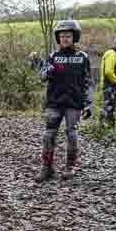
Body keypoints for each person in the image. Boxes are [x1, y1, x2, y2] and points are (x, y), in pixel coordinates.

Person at [36, 19, 93, 183]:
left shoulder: (82, 58)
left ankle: (70, 166)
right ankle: (47, 168)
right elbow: (42, 77)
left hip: (74, 103)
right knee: (48, 135)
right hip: (55, 102)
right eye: (62, 36)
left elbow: (89, 82)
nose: (65, 39)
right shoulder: (53, 56)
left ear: (74, 37)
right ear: (58, 38)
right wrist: (49, 71)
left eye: (68, 36)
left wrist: (89, 104)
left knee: (72, 134)